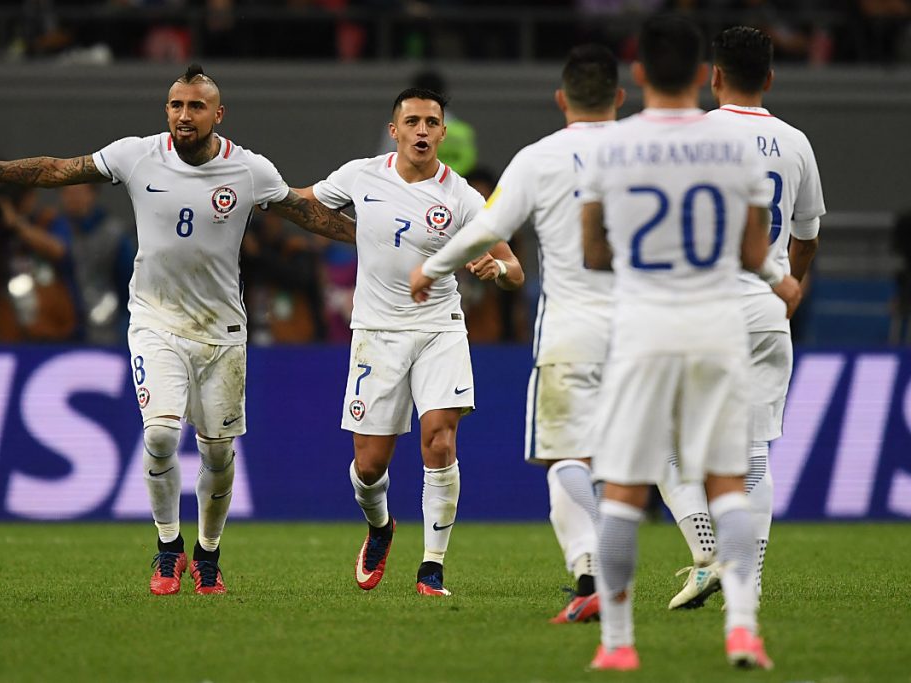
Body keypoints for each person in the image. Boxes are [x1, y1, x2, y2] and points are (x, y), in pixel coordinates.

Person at [0, 63, 355, 596]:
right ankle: (167, 548)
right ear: (167, 110)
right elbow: (55, 170)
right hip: (156, 321)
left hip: (223, 330)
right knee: (161, 434)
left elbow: (309, 214)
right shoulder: (136, 155)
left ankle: (207, 555)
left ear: (218, 114)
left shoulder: (249, 171)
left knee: (217, 455)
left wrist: (380, 242)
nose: (184, 115)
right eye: (176, 106)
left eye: (196, 106)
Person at [577, 15, 801, 671]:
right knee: (731, 481)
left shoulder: (612, 148)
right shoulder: (734, 149)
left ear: (640, 74)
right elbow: (755, 249)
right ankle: (742, 629)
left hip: (645, 327)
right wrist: (781, 283)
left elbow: (594, 250)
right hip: (717, 326)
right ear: (700, 75)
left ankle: (618, 645)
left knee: (621, 487)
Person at [409, 44, 624, 623]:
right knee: (643, 463)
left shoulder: (538, 158)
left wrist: (430, 269)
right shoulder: (649, 151)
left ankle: (589, 572)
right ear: (620, 98)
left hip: (573, 332)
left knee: (564, 457)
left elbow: (489, 228)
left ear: (561, 99)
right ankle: (718, 566)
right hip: (649, 327)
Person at [299, 87, 524, 597]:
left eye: (431, 122)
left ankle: (432, 569)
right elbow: (305, 203)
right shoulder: (361, 176)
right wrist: (255, 194)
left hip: (440, 327)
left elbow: (515, 269)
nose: (422, 131)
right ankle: (381, 527)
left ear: (443, 133)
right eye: (413, 121)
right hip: (376, 332)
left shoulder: (462, 197)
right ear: (394, 130)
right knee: (369, 464)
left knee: (440, 439)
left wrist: (498, 268)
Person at [656, 25, 826, 610]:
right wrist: (791, 285)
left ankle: (706, 553)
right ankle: (743, 584)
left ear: (715, 76)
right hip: (764, 311)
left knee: (658, 440)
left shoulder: (692, 135)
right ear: (770, 78)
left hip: (698, 308)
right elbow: (807, 234)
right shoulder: (796, 142)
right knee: (753, 453)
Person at [50, 183, 135, 345]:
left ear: (92, 194)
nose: (73, 198)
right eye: (67, 192)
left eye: (78, 191)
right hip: (63, 328)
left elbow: (128, 285)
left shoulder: (113, 234)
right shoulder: (53, 227)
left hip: (106, 327)